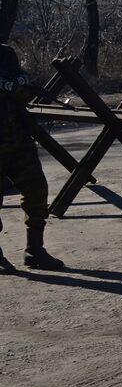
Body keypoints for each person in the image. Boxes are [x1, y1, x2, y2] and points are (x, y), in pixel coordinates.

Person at [0, 44, 64, 271]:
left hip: (18, 138)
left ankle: (35, 250)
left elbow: (25, 88)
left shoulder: (5, 54)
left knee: (37, 190)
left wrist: (15, 87)